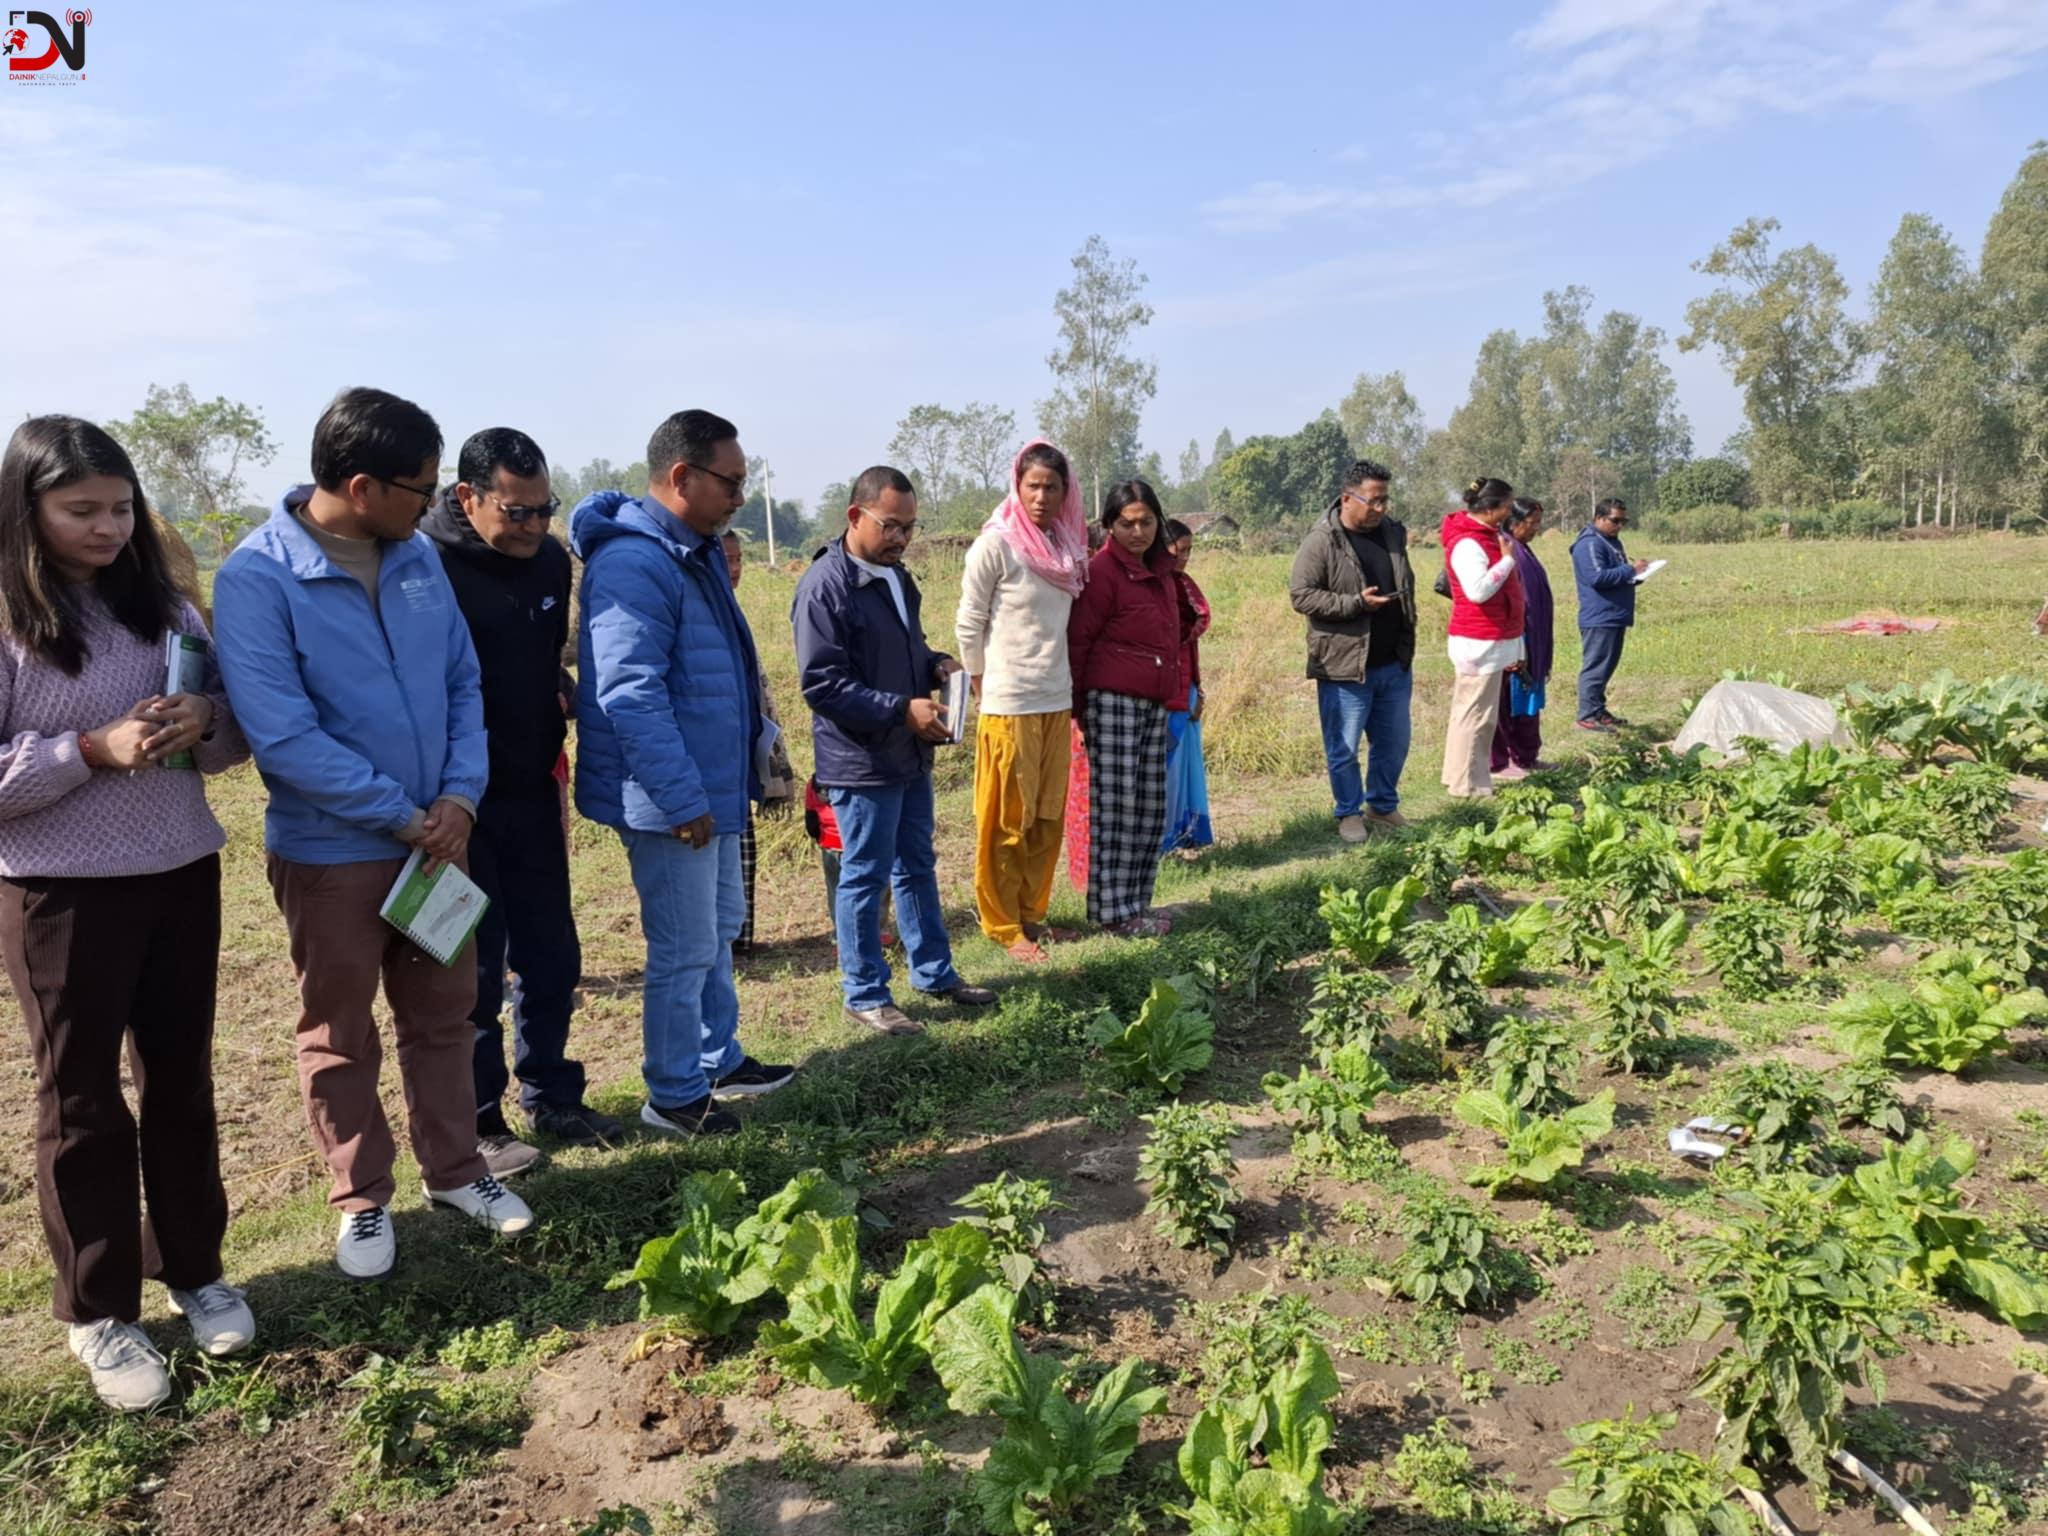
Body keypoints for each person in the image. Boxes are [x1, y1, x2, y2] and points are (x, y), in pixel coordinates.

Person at [215, 388, 533, 1284]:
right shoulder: (257, 578)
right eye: (420, 489)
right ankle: (360, 1200)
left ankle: (458, 1172)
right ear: (361, 486)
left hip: (439, 840)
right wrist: (406, 816)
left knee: (445, 1015)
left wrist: (460, 800)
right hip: (334, 853)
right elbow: (282, 737)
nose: (434, 506)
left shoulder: (417, 559)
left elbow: (463, 685)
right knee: (340, 1030)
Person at [0, 417, 255, 1411]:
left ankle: (194, 1267)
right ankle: (97, 1311)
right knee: (81, 1101)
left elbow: (228, 734)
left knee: (182, 1082)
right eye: (80, 512)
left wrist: (206, 722)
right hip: (60, 893)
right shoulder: (12, 621)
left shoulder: (166, 604)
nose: (108, 528)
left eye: (119, 507)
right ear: (27, 512)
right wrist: (89, 751)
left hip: (180, 868)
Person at [572, 410, 796, 1137]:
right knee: (682, 946)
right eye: (730, 482)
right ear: (681, 477)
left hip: (710, 787)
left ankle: (717, 1057)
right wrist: (679, 796)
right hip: (672, 799)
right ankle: (672, 1093)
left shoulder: (688, 551)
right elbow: (630, 692)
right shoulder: (635, 563)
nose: (738, 497)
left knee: (717, 932)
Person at [423, 428, 621, 1180]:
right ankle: (478, 1124)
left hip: (534, 788)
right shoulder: (423, 564)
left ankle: (552, 1095)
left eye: (547, 510)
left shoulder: (546, 560)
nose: (536, 527)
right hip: (456, 805)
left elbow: (536, 655)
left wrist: (555, 690)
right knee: (470, 966)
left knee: (550, 952)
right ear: (467, 497)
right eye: (519, 511)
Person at [793, 466, 996, 1034]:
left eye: (910, 527)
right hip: (860, 760)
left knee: (916, 867)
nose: (902, 538)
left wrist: (934, 665)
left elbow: (903, 651)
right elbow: (822, 684)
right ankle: (864, 992)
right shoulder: (825, 587)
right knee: (865, 875)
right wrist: (899, 709)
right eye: (891, 526)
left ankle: (934, 972)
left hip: (906, 754)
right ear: (855, 516)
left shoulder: (897, 578)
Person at [955, 440, 1088, 964]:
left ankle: (1033, 914)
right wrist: (981, 683)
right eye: (1032, 485)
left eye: (1051, 487)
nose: (1040, 496)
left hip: (1056, 698)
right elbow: (969, 623)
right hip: (1009, 701)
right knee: (1005, 820)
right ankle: (1003, 923)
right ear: (1018, 485)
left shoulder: (1064, 546)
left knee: (1046, 816)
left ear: (1065, 492)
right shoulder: (997, 546)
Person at [1067, 480, 1184, 936]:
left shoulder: (1160, 571)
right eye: (1126, 523)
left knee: (1149, 806)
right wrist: (1080, 709)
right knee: (1115, 807)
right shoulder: (1103, 574)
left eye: (1147, 522)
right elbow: (1079, 643)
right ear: (1109, 526)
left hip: (1154, 700)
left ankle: (1137, 903)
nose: (1137, 532)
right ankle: (1111, 913)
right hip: (1111, 700)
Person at [1289, 459, 1417, 843]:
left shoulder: (1392, 533)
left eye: (1385, 500)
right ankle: (1348, 812)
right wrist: (1354, 604)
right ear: (1348, 498)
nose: (1381, 509)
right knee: (1344, 746)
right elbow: (1301, 595)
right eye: (1373, 501)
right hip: (1344, 665)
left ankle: (1382, 804)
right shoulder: (1322, 540)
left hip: (1393, 660)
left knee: (1393, 742)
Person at [720, 530, 797, 956]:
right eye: (725, 559)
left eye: (739, 559)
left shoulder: (734, 610)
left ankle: (741, 938)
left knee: (743, 842)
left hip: (742, 746)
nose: (734, 569)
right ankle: (727, 939)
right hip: (716, 752)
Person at [1439, 477, 1526, 799]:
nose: (1508, 512)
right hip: (1478, 640)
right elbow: (1477, 591)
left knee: (1474, 713)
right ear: (1490, 509)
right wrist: (1506, 561)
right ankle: (1468, 786)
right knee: (1476, 717)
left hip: (1487, 638)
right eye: (1506, 506)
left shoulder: (1485, 537)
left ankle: (1461, 778)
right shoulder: (1468, 543)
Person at [1490, 499, 1554, 778]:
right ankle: (1502, 762)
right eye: (1533, 523)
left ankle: (1527, 756)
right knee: (1507, 702)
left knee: (1528, 697)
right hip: (1515, 639)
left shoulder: (1523, 549)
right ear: (1514, 523)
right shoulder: (1505, 549)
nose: (1537, 529)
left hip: (1533, 638)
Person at [1160, 519, 1213, 858]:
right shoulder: (1159, 588)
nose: (1185, 558)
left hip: (1186, 687)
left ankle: (1184, 837)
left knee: (1185, 767)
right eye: (1179, 551)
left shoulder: (1182, 584)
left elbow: (1190, 642)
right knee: (1168, 770)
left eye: (1189, 551)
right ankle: (1164, 842)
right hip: (1164, 693)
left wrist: (1198, 688)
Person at [1572, 497, 1647, 733]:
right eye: (1615, 520)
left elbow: (1616, 575)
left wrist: (1634, 576)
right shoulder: (1590, 544)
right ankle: (1586, 715)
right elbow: (1597, 577)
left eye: (1624, 521)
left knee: (1606, 666)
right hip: (1599, 616)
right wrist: (1629, 570)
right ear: (1599, 518)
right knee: (1595, 667)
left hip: (1614, 614)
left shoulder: (1611, 541)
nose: (1619, 526)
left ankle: (1598, 710)